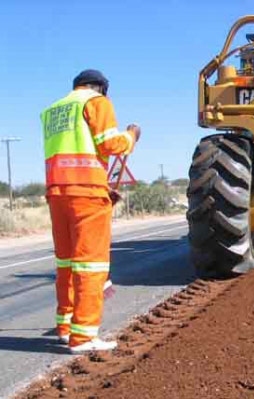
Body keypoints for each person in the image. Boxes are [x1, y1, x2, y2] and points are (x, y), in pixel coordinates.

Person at [41, 69, 141, 352]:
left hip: (58, 193)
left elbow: (75, 153)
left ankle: (65, 326)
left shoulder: (52, 110)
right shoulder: (96, 102)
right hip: (87, 196)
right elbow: (109, 144)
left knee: (66, 263)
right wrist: (131, 136)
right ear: (101, 88)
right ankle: (83, 336)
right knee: (91, 265)